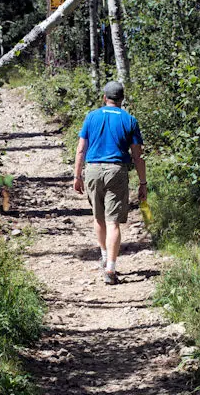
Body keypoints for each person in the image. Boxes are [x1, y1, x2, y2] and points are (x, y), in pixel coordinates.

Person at [73, 81, 147, 285]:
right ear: (122, 99)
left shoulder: (92, 116)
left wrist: (77, 176)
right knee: (113, 221)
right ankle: (111, 269)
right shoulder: (129, 120)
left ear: (104, 98)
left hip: (94, 169)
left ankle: (104, 256)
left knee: (99, 218)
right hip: (117, 170)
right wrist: (143, 183)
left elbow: (81, 149)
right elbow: (138, 156)